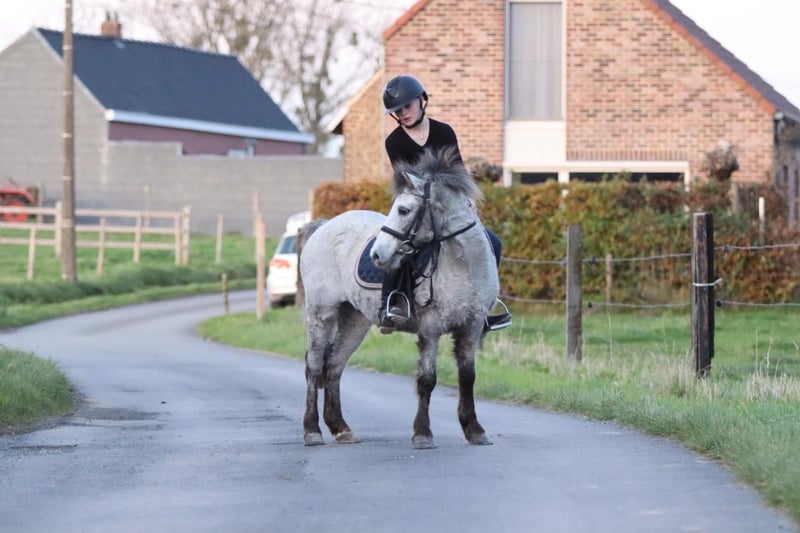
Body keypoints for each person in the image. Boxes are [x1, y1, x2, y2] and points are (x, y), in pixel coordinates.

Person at [378, 74, 511, 334]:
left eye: (407, 106)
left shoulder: (444, 132)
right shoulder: (393, 142)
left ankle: (484, 308)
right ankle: (391, 303)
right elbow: (405, 181)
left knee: (493, 243)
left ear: (421, 100)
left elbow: (458, 171)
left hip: (448, 206)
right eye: (397, 111)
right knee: (397, 244)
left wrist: (467, 200)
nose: (403, 113)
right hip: (416, 208)